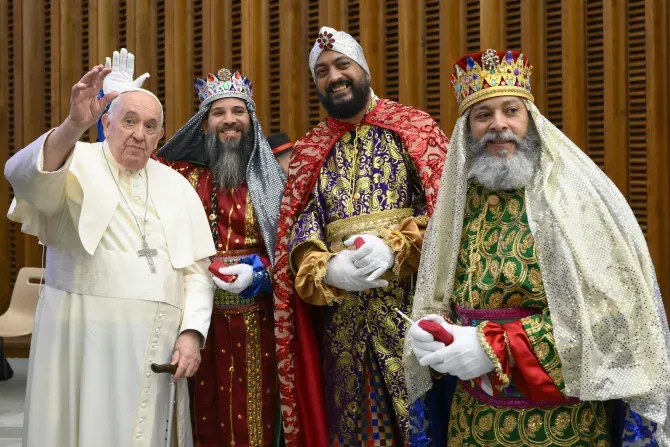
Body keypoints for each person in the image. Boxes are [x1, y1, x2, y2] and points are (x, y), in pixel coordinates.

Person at [404, 49, 670, 446]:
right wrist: (432, 328)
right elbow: (440, 295)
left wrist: (496, 348)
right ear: (467, 131)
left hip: (560, 425)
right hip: (472, 423)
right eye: (483, 115)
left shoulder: (573, 198)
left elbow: (615, 315)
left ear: (530, 120)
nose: (498, 125)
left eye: (511, 111)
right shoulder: (457, 206)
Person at [5, 59, 216, 447]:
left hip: (157, 349)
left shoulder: (177, 186)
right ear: (106, 123)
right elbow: (22, 176)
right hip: (83, 342)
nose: (138, 134)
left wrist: (191, 334)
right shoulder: (76, 159)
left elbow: (197, 273)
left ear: (160, 136)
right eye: (129, 121)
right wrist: (72, 126)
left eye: (150, 126)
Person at [273, 26, 449, 446]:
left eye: (342, 65)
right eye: (321, 71)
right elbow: (300, 232)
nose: (333, 76)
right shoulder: (312, 150)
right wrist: (328, 270)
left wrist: (394, 249)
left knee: (422, 431)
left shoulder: (415, 128)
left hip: (411, 318)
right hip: (344, 330)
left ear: (364, 69)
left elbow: (446, 213)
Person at [155, 67, 285, 447]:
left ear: (251, 121)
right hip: (194, 324)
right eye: (218, 112)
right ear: (204, 125)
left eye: (238, 111)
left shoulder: (274, 181)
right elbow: (131, 162)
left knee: (253, 424)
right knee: (200, 419)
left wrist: (259, 274)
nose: (229, 119)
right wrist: (112, 110)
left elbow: (293, 251)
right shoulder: (179, 177)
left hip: (257, 324)